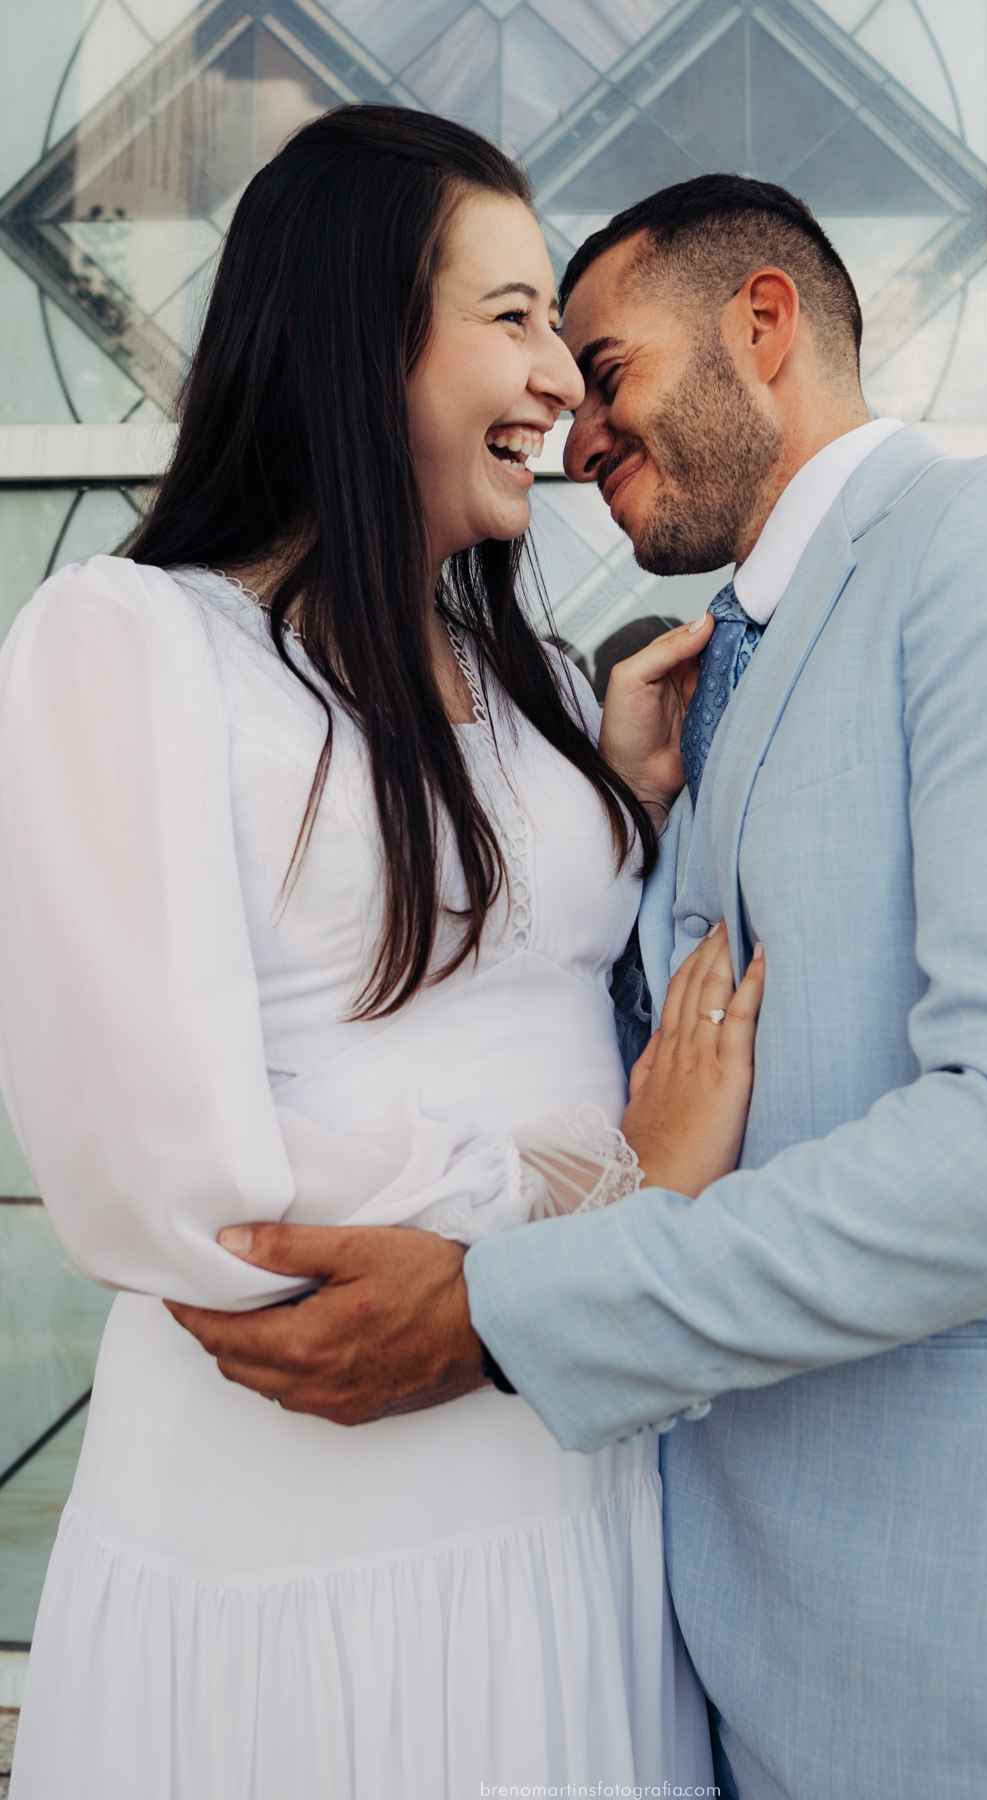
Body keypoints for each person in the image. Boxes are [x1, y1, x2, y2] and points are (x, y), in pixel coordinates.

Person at [172, 172, 987, 1799]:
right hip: (716, 1659)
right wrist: (637, 820)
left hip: (974, 1653)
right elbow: (688, 1079)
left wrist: (498, 1313)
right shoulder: (709, 679)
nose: (575, 433)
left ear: (763, 324)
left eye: (607, 365)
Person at [0, 114, 772, 1799]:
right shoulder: (126, 645)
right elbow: (184, 1182)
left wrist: (621, 798)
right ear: (357, 330)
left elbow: (513, 960)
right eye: (511, 317)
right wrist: (611, 1187)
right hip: (308, 1519)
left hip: (581, 1498)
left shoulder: (552, 694)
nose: (564, 376)